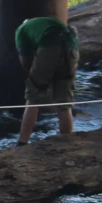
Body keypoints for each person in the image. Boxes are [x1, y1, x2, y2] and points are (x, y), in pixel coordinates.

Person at [15, 17, 79, 146]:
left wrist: (35, 79)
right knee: (64, 103)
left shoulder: (21, 31)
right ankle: (66, 143)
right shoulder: (44, 24)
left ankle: (22, 143)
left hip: (49, 46)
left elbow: (25, 59)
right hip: (72, 48)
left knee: (32, 99)